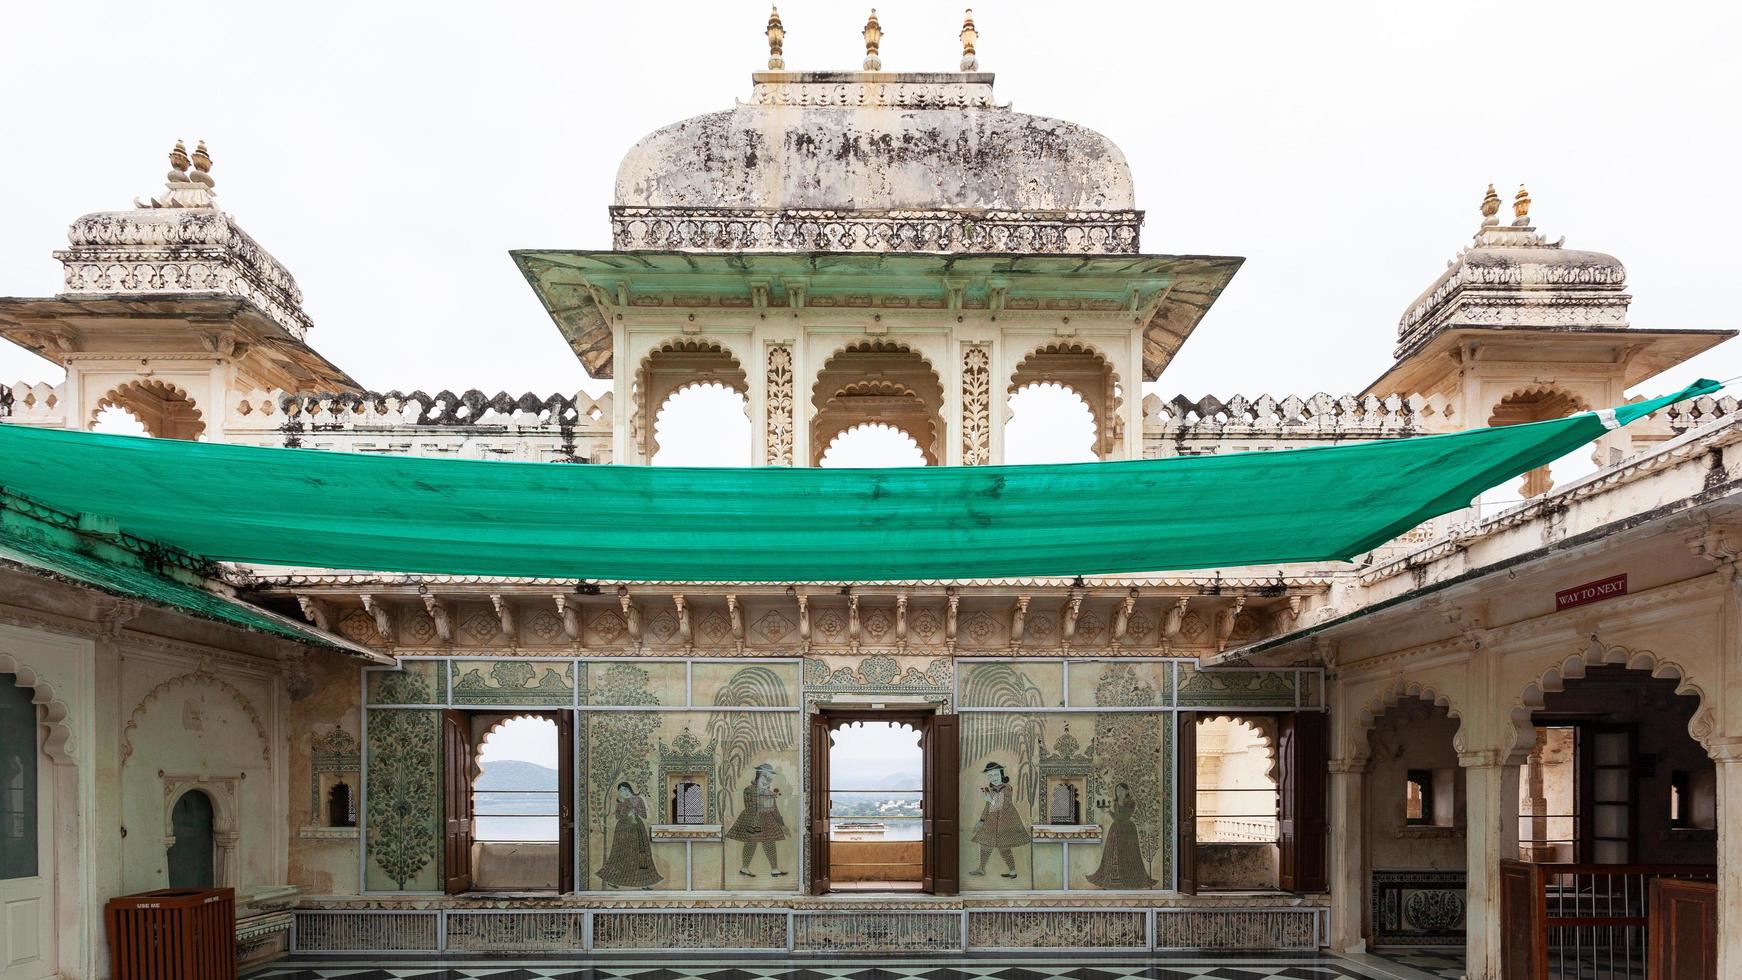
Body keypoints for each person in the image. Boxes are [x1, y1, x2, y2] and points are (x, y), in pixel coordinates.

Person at [724, 762, 787, 877]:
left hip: (767, 820)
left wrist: (782, 824)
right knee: (750, 843)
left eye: (769, 779)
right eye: (764, 777)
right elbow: (752, 805)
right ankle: (744, 868)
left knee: (770, 843)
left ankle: (774, 869)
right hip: (752, 819)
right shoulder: (749, 790)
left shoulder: (769, 793)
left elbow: (774, 810)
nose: (767, 781)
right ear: (758, 776)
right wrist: (765, 795)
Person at [1086, 782, 1154, 888]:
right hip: (1116, 829)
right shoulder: (1116, 803)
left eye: (1121, 790)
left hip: (1128, 831)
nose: (1119, 792)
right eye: (1117, 790)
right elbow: (1117, 817)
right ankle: (1112, 878)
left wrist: (1110, 812)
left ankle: (1129, 879)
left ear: (1127, 791)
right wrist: (1109, 811)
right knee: (1113, 853)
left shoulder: (1130, 803)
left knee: (1129, 854)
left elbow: (1122, 817)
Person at [970, 761, 1030, 879]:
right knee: (985, 844)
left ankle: (1012, 871)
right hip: (991, 822)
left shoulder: (1007, 788)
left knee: (1004, 848)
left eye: (996, 775)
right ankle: (981, 868)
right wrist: (981, 821)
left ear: (1001, 774)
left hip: (1005, 821)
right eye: (990, 776)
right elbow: (988, 807)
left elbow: (1001, 805)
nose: (994, 778)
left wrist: (989, 800)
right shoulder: (991, 790)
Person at [598, 782, 662, 888]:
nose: (624, 792)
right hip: (622, 830)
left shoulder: (638, 800)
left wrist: (635, 809)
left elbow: (644, 815)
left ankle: (644, 883)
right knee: (620, 854)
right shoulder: (620, 801)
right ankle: (613, 880)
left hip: (637, 829)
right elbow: (618, 816)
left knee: (641, 854)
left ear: (630, 789)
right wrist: (626, 812)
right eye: (621, 791)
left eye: (626, 790)